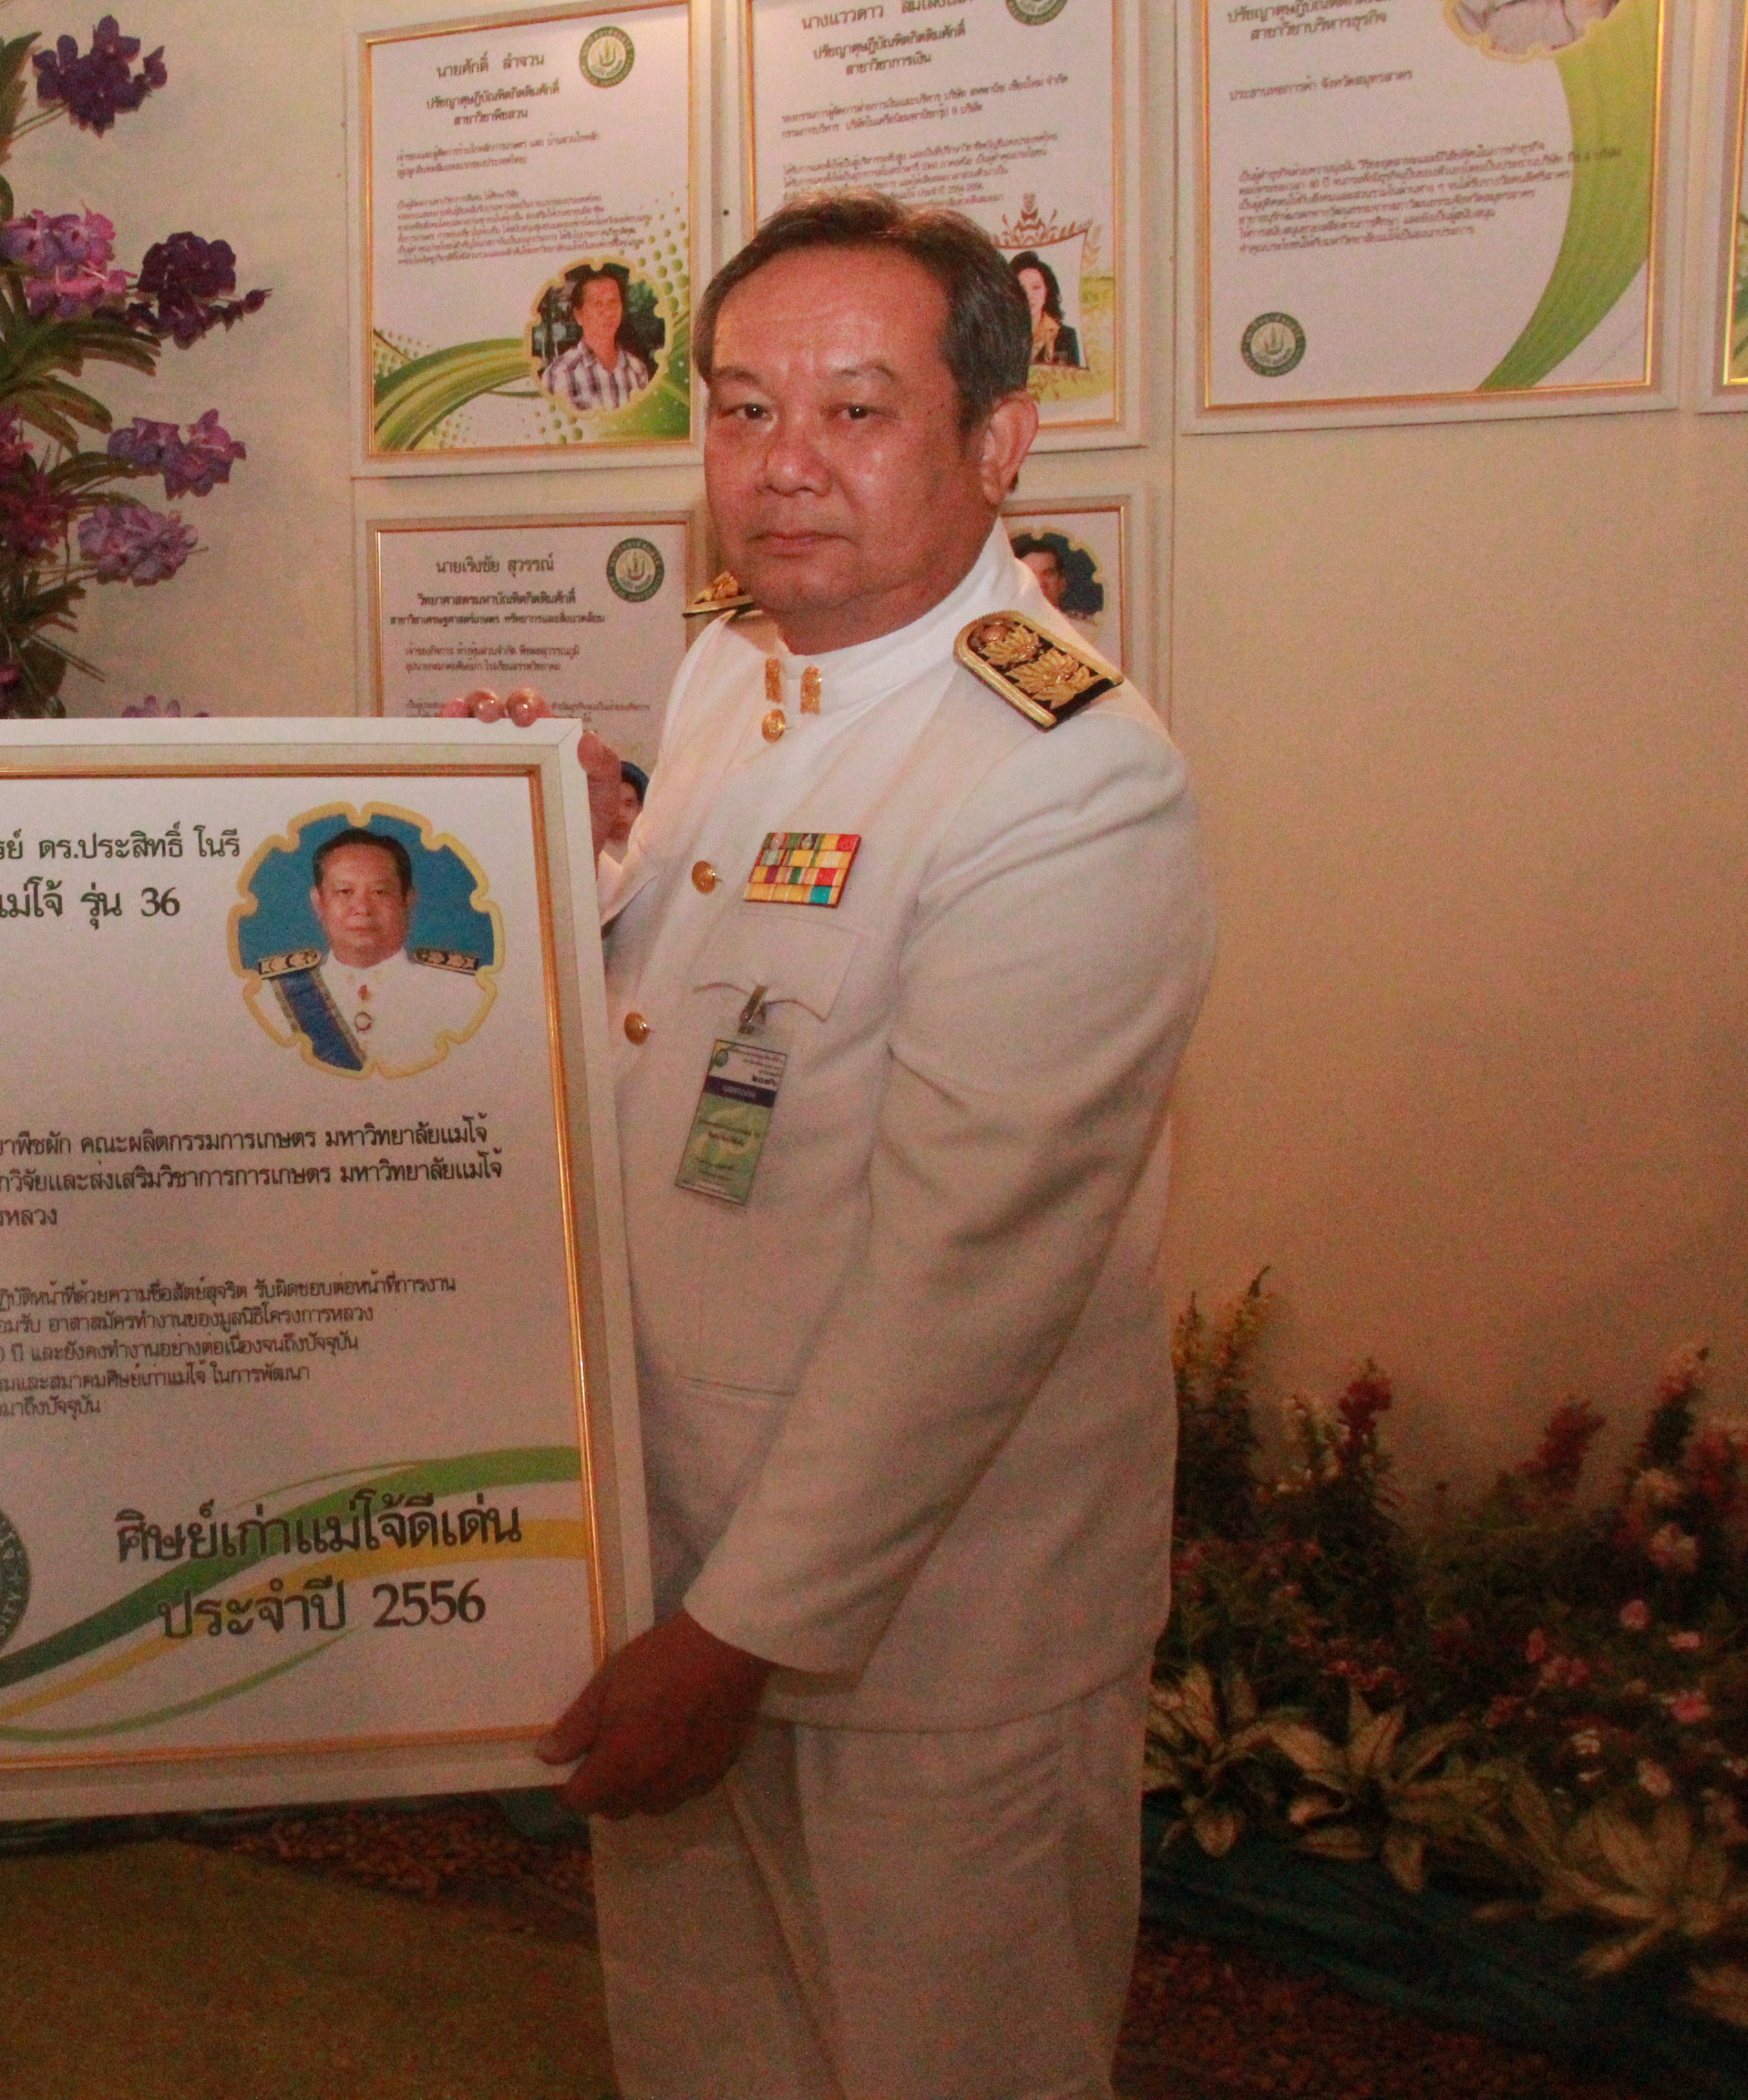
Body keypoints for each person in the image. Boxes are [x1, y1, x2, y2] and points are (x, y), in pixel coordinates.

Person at [458, 190, 1213, 2099]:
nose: (782, 464)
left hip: (927, 1631)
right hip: (682, 1545)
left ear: (999, 440)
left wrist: (739, 1634)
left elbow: (966, 1283)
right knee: (708, 2052)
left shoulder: (1066, 775)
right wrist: (583, 854)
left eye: (857, 411)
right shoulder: (742, 661)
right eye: (740, 409)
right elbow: (705, 1019)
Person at [254, 827, 486, 1076]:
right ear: (318, 902)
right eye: (344, 892)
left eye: (379, 892)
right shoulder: (270, 996)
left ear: (407, 900)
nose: (362, 908)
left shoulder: (464, 991)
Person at [542, 262, 657, 413]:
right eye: (597, 304)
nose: (608, 312)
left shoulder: (637, 370)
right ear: (579, 315)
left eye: (613, 302)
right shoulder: (559, 374)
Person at [1013, 250, 1085, 371]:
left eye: (1036, 287)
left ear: (1047, 291)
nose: (1029, 296)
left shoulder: (1065, 336)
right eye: (1022, 289)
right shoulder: (1001, 336)